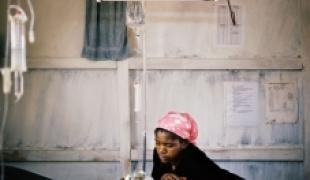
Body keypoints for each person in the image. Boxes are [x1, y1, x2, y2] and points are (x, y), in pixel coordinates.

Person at [152, 111, 244, 180]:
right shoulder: (158, 154)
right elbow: (155, 174)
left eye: (169, 145)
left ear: (184, 143)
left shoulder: (193, 158)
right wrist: (163, 176)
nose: (161, 150)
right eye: (157, 143)